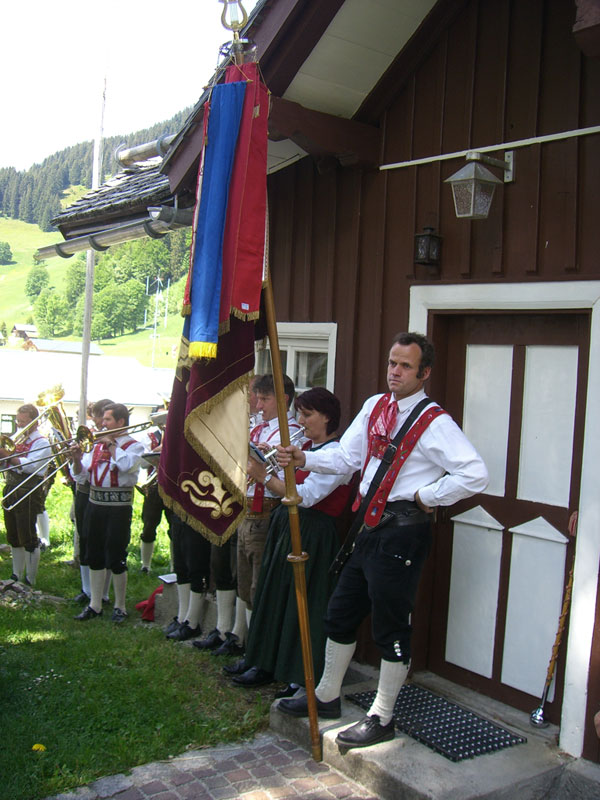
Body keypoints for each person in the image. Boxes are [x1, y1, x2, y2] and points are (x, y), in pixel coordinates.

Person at [276, 332, 489, 749]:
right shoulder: (375, 406)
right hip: (366, 530)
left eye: (405, 366)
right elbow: (347, 459)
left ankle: (382, 716)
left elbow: (474, 473)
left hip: (402, 534)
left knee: (391, 627)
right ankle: (327, 696)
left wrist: (428, 496)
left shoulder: (435, 421)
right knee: (340, 613)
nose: (395, 372)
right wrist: (306, 459)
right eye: (392, 363)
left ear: (424, 373)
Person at [230, 387, 355, 690]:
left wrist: (263, 476)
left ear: (327, 418)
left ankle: (300, 674)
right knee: (275, 596)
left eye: (307, 414)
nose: (300, 420)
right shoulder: (306, 447)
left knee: (304, 603)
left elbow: (306, 496)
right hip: (286, 525)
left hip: (314, 532)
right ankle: (265, 662)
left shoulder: (336, 456)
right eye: (299, 412)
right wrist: (264, 458)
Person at [70, 403, 144, 623]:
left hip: (118, 508)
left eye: (108, 420)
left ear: (121, 422)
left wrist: (112, 446)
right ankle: (95, 604)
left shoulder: (135, 446)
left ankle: (120, 606)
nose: (102, 424)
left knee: (116, 555)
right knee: (93, 553)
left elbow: (126, 467)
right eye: (103, 420)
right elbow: (81, 476)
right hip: (95, 504)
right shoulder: (94, 446)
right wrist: (75, 459)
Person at [0, 404, 52, 585]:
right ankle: (16, 575)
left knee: (28, 536)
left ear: (34, 422)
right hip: (11, 488)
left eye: (23, 422)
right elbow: (5, 466)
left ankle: (30, 579)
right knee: (13, 535)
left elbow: (31, 466)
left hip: (28, 491)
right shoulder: (18, 440)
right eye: (18, 421)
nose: (20, 425)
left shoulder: (42, 443)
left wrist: (8, 455)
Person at [73, 399, 114, 606]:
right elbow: (80, 474)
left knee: (102, 541)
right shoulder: (89, 437)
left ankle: (101, 593)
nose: (98, 422)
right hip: (83, 492)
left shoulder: (108, 439)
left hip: (101, 496)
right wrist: (75, 458)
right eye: (99, 417)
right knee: (84, 537)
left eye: (101, 417)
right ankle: (86, 589)